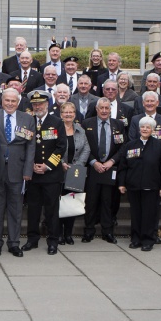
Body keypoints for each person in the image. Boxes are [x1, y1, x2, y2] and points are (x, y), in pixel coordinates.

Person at [0, 88, 34, 258]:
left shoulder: (27, 119)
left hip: (18, 170)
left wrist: (28, 170)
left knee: (15, 210)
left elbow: (30, 146)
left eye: (13, 101)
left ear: (18, 102)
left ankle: (14, 243)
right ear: (2, 101)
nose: (9, 103)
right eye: (7, 100)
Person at [21, 90, 67, 255]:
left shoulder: (57, 122)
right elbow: (23, 146)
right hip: (32, 174)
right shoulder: (28, 121)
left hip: (51, 174)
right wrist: (30, 165)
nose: (37, 106)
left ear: (47, 103)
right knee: (33, 209)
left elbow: (61, 147)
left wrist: (47, 165)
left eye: (40, 103)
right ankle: (32, 239)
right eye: (34, 104)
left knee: (51, 209)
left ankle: (53, 240)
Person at [118, 116, 161, 251]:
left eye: (148, 127)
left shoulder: (160, 146)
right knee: (135, 214)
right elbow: (123, 166)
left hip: (152, 186)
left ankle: (148, 240)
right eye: (142, 127)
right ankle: (136, 239)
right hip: (134, 186)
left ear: (152, 130)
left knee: (149, 214)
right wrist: (121, 184)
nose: (145, 129)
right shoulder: (130, 145)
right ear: (139, 129)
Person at [81, 98, 126, 243]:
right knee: (91, 201)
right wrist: (94, 162)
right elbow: (83, 146)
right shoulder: (87, 123)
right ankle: (89, 231)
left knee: (108, 201)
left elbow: (122, 147)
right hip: (92, 168)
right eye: (102, 108)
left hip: (110, 168)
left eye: (107, 108)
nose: (105, 111)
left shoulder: (118, 124)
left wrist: (111, 161)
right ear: (97, 109)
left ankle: (107, 231)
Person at [58, 102, 89, 245]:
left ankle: (68, 234)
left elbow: (86, 149)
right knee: (58, 204)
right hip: (59, 171)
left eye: (71, 112)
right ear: (61, 114)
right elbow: (53, 148)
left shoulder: (80, 130)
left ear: (75, 114)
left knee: (70, 204)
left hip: (75, 173)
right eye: (66, 112)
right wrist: (61, 164)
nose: (68, 115)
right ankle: (57, 233)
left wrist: (77, 166)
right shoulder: (56, 129)